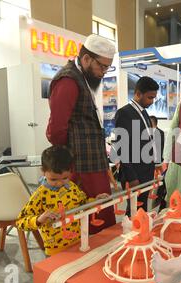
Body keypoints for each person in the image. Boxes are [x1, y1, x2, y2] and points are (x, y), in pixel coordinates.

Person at [46, 34, 116, 235]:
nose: (103, 72)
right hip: (80, 165)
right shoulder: (68, 81)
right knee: (89, 219)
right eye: (102, 67)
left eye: (107, 68)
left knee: (100, 215)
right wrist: (67, 160)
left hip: (91, 163)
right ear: (86, 59)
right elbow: (56, 129)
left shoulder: (81, 79)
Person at [16, 146, 108, 256]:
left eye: (65, 178)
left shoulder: (72, 187)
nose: (60, 183)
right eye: (53, 179)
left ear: (70, 172)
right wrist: (39, 220)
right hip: (55, 250)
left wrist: (95, 201)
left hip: (80, 242)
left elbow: (83, 205)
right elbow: (20, 222)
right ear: (43, 172)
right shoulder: (40, 195)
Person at [112, 76, 160, 216]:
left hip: (146, 169)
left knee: (142, 207)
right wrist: (131, 177)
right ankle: (131, 235)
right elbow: (122, 149)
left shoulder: (144, 112)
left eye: (154, 98)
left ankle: (142, 233)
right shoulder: (124, 113)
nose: (152, 101)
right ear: (138, 94)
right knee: (134, 209)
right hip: (134, 172)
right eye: (150, 98)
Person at [150, 115, 167, 210]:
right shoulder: (160, 132)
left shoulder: (156, 133)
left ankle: (156, 191)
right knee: (160, 175)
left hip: (156, 158)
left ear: (153, 123)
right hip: (158, 158)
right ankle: (156, 190)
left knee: (157, 175)